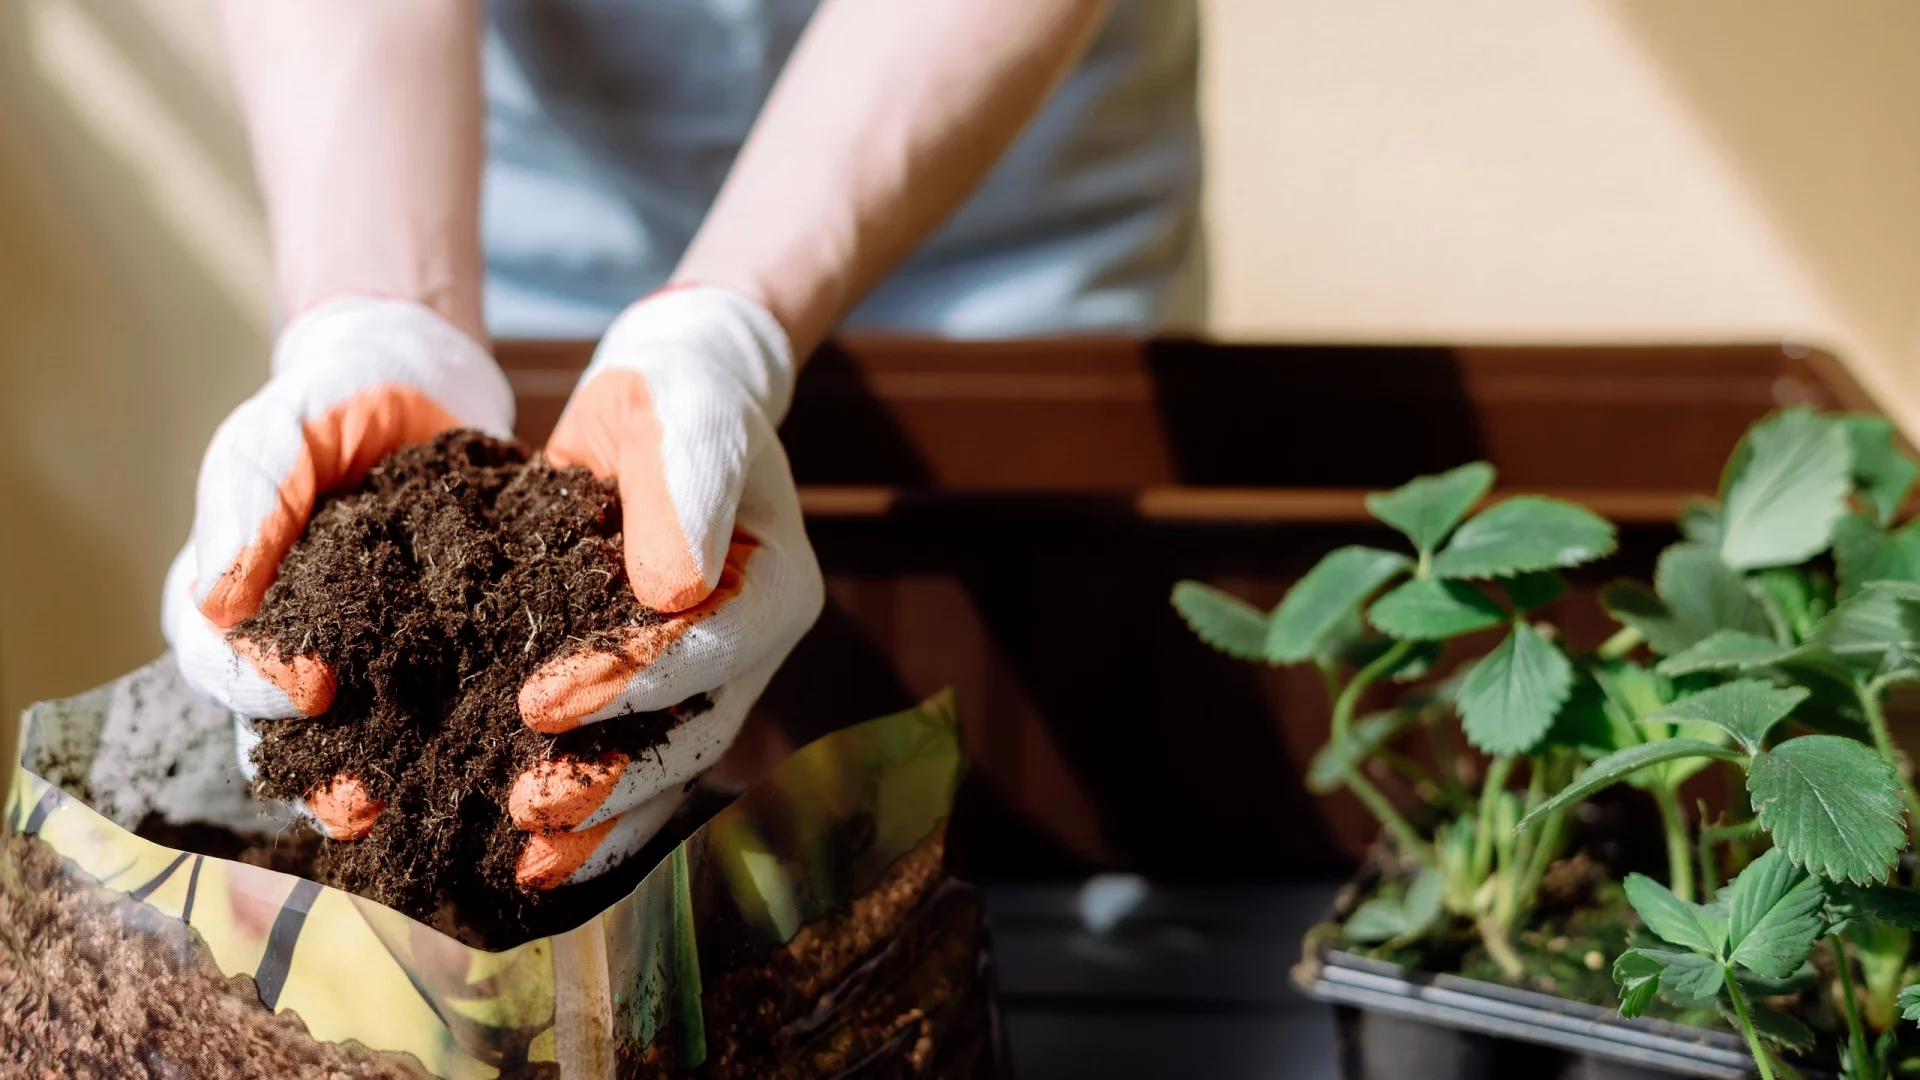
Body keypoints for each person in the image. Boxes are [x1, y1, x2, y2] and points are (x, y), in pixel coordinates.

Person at [162, 0, 1200, 893]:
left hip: (988, 222)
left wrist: (729, 329)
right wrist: (384, 317)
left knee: (1026, 817)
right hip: (502, 213)